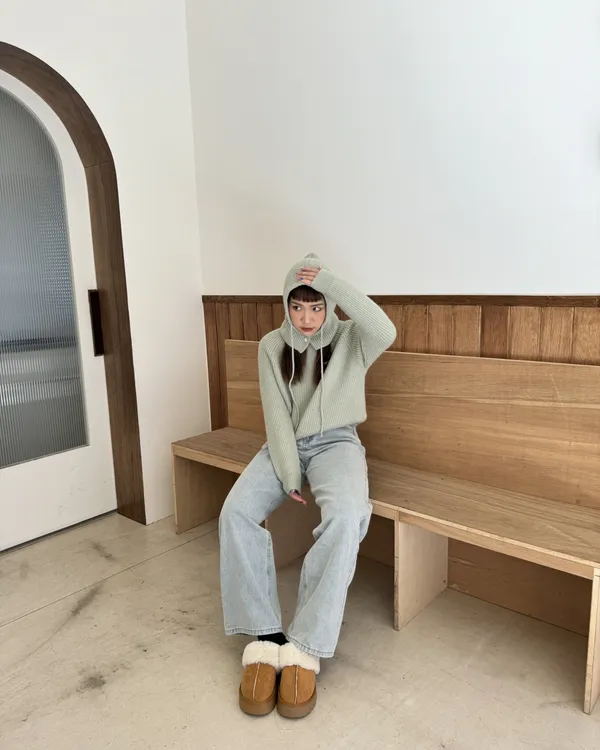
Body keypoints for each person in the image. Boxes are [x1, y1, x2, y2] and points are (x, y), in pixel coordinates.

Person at [218, 253, 396, 719]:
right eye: (297, 306)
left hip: (338, 443)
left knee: (347, 516)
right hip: (285, 445)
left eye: (317, 306)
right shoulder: (271, 346)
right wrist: (288, 471)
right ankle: (265, 635)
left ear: (329, 304)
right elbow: (276, 414)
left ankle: (306, 644)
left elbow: (385, 329)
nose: (307, 317)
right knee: (235, 512)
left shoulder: (353, 340)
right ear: (286, 305)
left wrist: (331, 282)